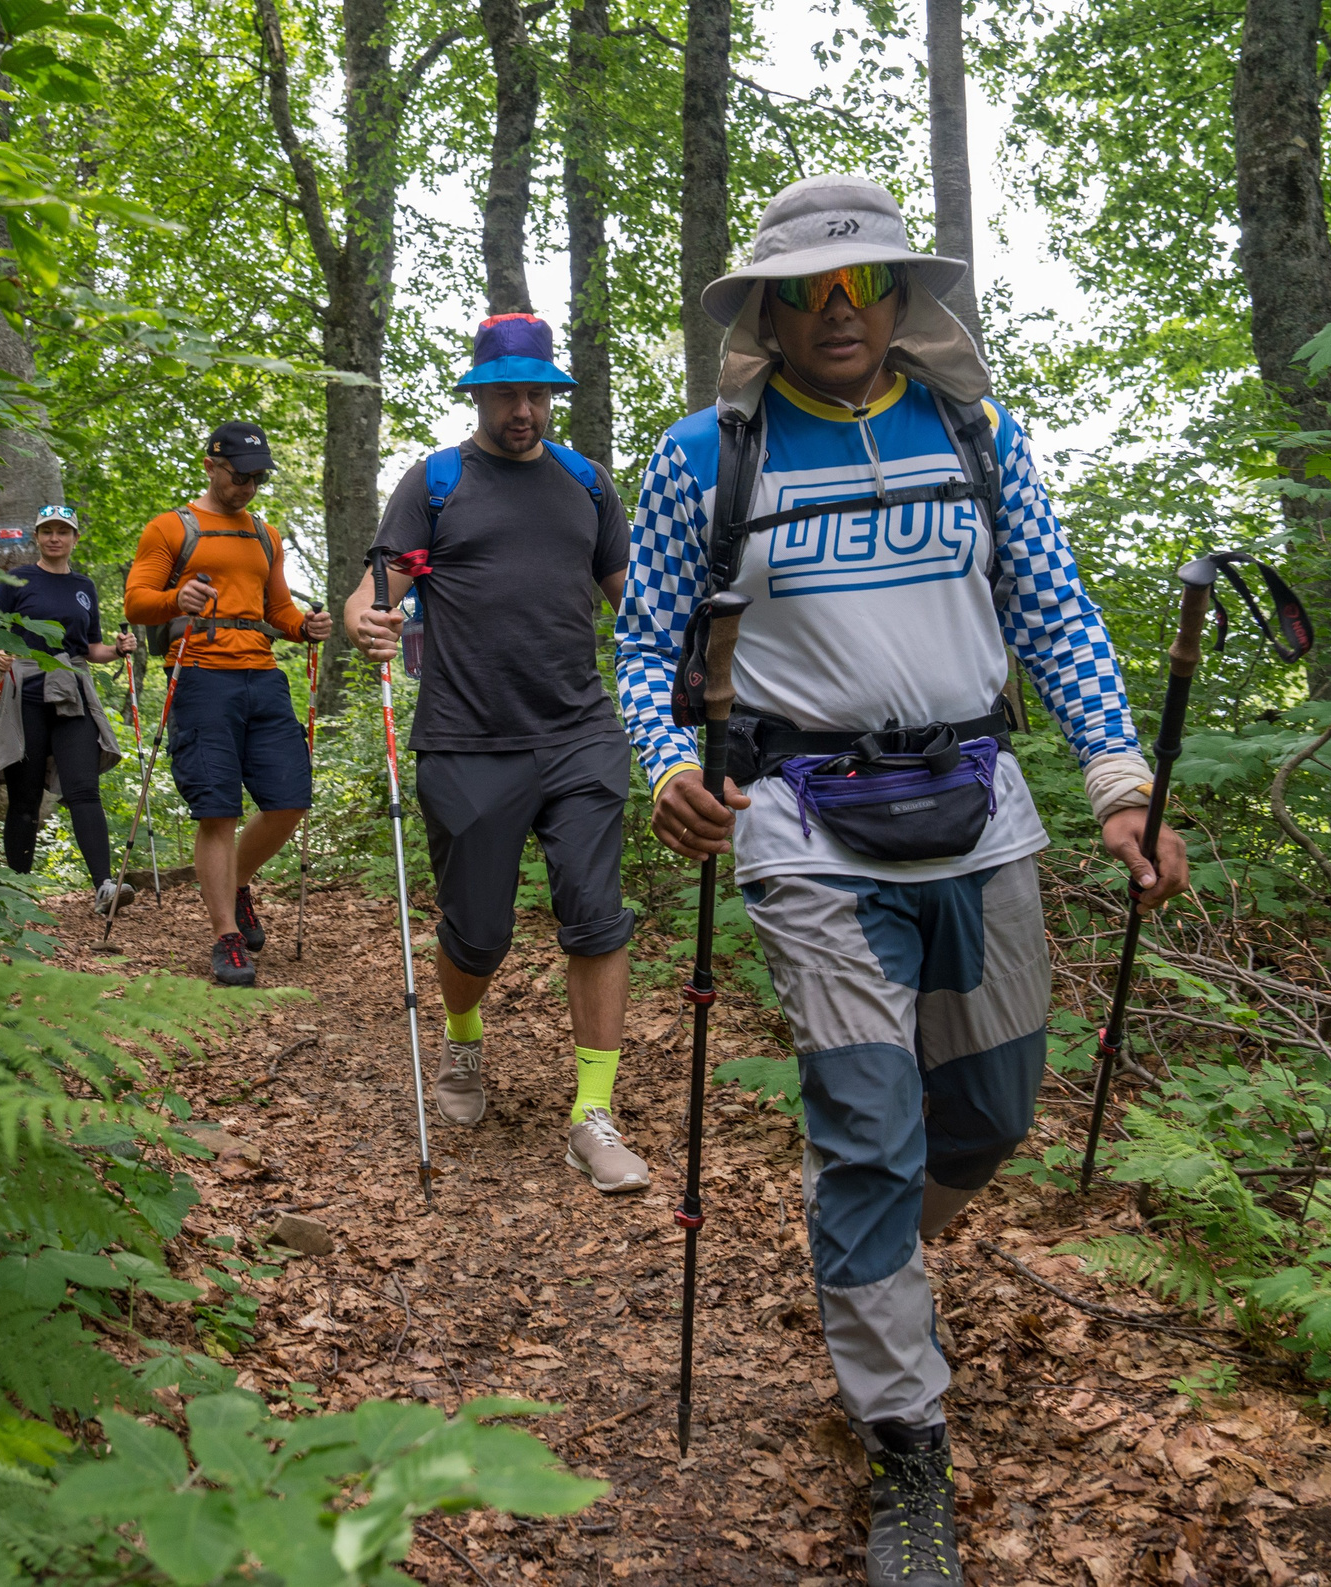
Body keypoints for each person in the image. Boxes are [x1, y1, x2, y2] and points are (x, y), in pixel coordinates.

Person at [615, 176, 1188, 1587]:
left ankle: (877, 1261)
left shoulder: (978, 436)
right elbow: (643, 651)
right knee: (868, 1129)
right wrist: (662, 764)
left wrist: (1121, 781)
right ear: (766, 311)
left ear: (897, 299)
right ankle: (904, 1432)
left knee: (986, 1118)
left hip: (980, 807)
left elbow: (1051, 606)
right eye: (805, 293)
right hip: (802, 819)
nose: (835, 316)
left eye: (858, 287)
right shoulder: (709, 455)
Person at [343, 313, 648, 1196]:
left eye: (537, 392)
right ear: (477, 394)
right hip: (467, 738)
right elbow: (380, 583)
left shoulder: (587, 483)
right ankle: (463, 1032)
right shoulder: (436, 482)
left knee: (595, 914)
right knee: (478, 936)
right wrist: (368, 614)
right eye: (506, 392)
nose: (525, 408)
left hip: (579, 732)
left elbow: (627, 592)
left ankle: (593, 1112)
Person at [122, 422, 332, 987]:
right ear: (212, 466)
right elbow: (138, 604)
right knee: (217, 809)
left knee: (290, 799)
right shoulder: (170, 528)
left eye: (258, 477)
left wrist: (306, 627)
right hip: (199, 675)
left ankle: (235, 882)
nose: (249, 487)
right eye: (241, 475)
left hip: (262, 675)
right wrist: (176, 597)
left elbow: (279, 610)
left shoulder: (266, 535)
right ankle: (226, 937)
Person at [0, 503, 136, 911]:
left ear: (75, 538)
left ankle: (105, 887)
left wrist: (116, 649)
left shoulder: (84, 586)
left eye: (63, 531)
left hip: (71, 691)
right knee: (24, 798)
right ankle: (17, 893)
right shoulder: (18, 579)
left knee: (83, 789)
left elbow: (90, 648)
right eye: (47, 531)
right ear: (37, 537)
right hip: (27, 691)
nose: (55, 537)